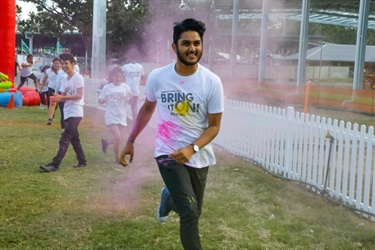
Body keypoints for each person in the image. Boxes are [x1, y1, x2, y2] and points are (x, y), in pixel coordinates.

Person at [119, 18, 224, 250]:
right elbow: (147, 109)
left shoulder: (212, 82)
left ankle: (168, 198)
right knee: (189, 213)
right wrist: (130, 140)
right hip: (167, 151)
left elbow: (214, 126)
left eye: (197, 43)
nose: (192, 48)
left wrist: (192, 148)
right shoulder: (159, 76)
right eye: (186, 43)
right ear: (174, 47)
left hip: (198, 154)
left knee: (195, 210)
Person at [40, 53, 87, 173]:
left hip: (76, 111)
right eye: (63, 63)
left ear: (73, 64)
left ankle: (55, 164)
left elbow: (79, 95)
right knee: (74, 139)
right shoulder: (65, 79)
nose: (64, 66)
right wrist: (57, 97)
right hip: (67, 111)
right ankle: (82, 161)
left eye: (66, 63)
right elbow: (63, 95)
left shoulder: (78, 78)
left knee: (65, 138)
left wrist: (62, 98)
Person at [98, 67, 132, 164]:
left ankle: (107, 142)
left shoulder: (125, 87)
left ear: (122, 77)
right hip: (111, 115)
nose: (118, 79)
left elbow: (130, 102)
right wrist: (104, 99)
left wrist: (131, 98)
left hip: (122, 115)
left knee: (120, 138)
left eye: (120, 77)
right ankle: (117, 159)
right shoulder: (107, 87)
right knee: (118, 137)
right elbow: (100, 101)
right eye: (116, 77)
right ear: (112, 77)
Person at [41, 58, 65, 128]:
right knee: (52, 103)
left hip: (60, 89)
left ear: (60, 64)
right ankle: (50, 119)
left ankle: (54, 115)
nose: (57, 65)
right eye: (55, 63)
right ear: (53, 64)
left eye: (58, 63)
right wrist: (42, 85)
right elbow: (45, 78)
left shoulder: (63, 71)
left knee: (57, 105)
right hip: (51, 88)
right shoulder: (49, 71)